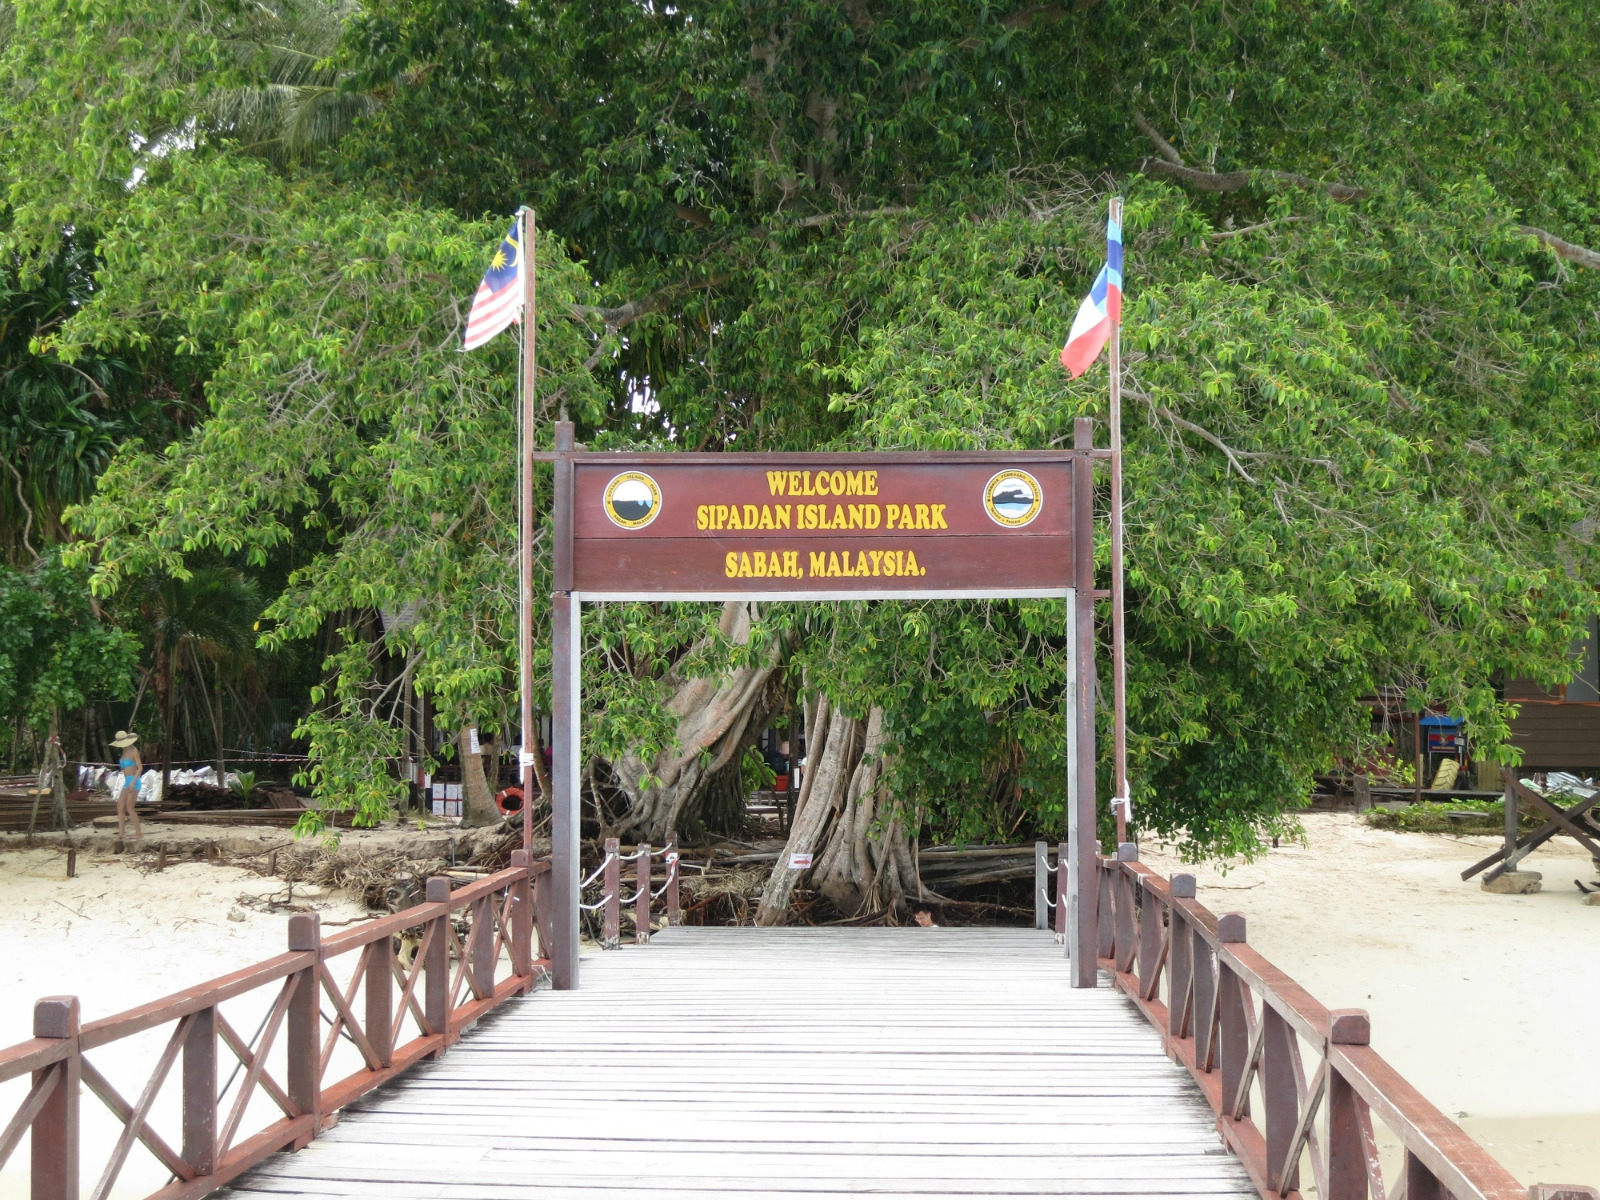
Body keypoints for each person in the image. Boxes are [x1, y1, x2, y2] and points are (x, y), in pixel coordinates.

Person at [111, 730, 143, 845]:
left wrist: (132, 782)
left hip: (134, 781)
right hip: (126, 781)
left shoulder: (133, 751)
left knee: (130, 807)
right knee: (120, 806)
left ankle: (138, 832)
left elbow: (140, 768)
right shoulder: (124, 752)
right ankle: (121, 833)